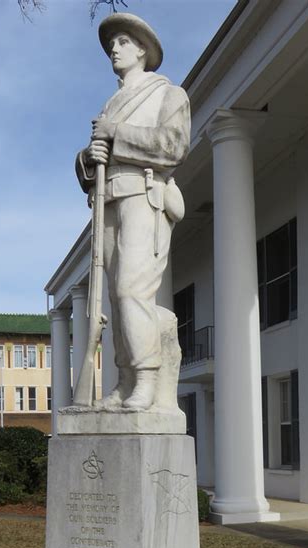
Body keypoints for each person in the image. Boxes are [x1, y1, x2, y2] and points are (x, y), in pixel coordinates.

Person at [76, 13, 190, 411]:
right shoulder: (111, 103)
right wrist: (88, 158)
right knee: (113, 295)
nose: (114, 48)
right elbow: (94, 161)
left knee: (132, 290)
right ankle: (125, 382)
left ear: (143, 49)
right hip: (108, 201)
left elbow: (172, 146)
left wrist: (115, 135)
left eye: (123, 42)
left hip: (145, 195)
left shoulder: (167, 94)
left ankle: (146, 378)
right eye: (112, 44)